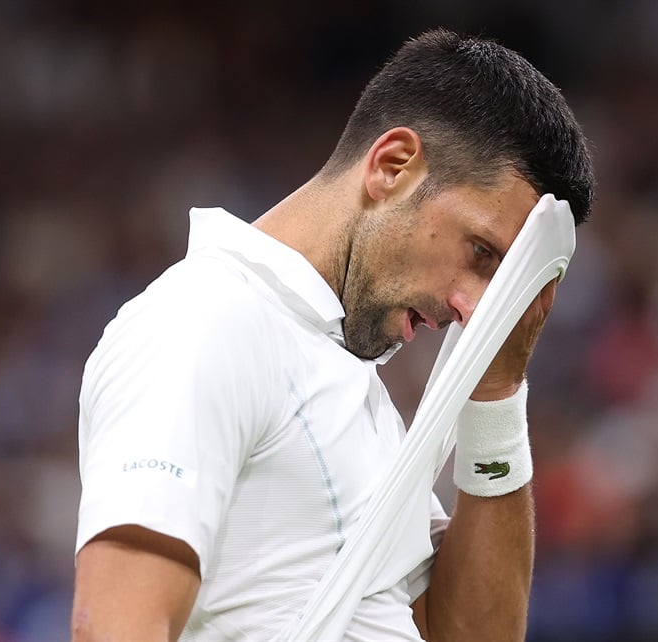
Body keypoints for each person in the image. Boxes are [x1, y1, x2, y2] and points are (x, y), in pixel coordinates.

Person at [70, 28, 594, 641]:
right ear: (393, 166)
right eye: (480, 252)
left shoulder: (348, 384)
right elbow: (116, 626)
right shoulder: (206, 319)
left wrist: (496, 389)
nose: (471, 309)